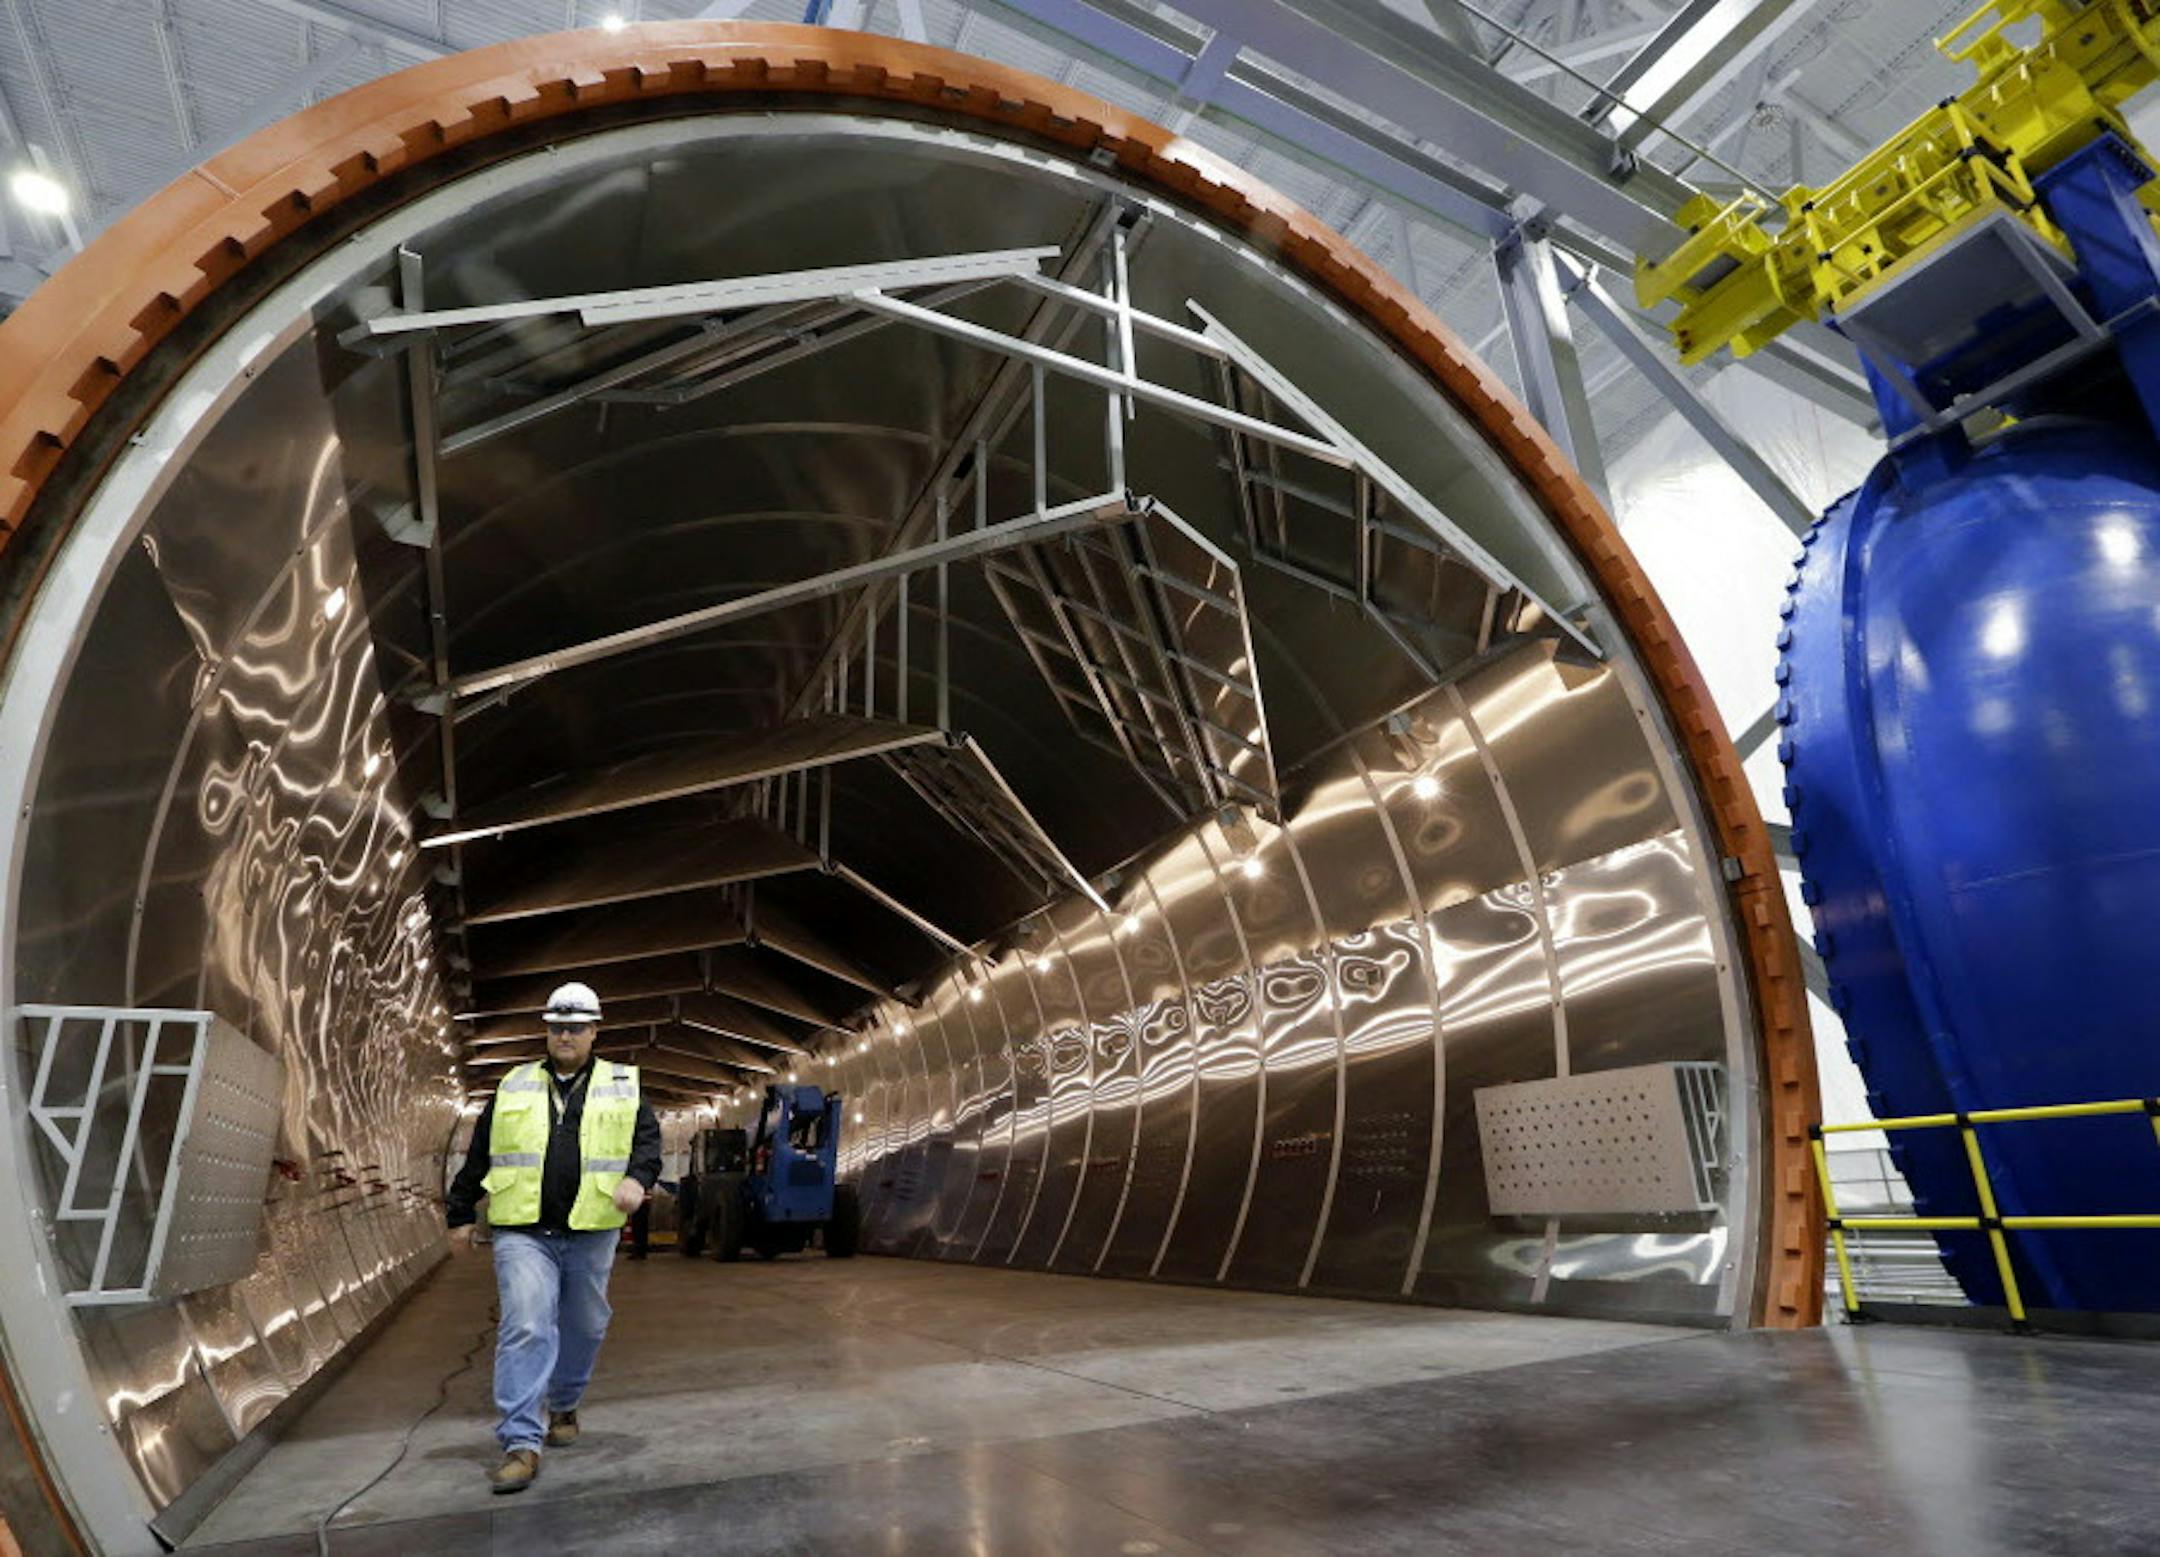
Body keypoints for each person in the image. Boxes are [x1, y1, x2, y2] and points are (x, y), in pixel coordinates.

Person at [445, 981, 660, 1494]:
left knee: (585, 1324)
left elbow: (647, 1144)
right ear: (546, 1030)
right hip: (523, 1230)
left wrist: (638, 1178)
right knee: (525, 1323)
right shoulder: (513, 1085)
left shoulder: (623, 1085)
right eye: (557, 1026)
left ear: (593, 1031)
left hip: (592, 1229)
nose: (565, 1034)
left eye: (576, 1027)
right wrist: (459, 1211)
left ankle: (564, 1400)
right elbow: (481, 1154)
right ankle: (521, 1442)